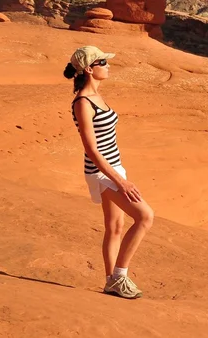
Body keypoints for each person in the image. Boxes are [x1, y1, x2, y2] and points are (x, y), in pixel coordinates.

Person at [64, 45, 154, 299]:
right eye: (103, 62)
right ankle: (120, 277)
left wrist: (119, 172)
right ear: (89, 69)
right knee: (145, 216)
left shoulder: (97, 97)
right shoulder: (83, 102)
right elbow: (91, 149)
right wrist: (120, 181)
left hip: (113, 166)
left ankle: (110, 282)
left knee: (115, 226)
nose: (108, 66)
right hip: (102, 171)